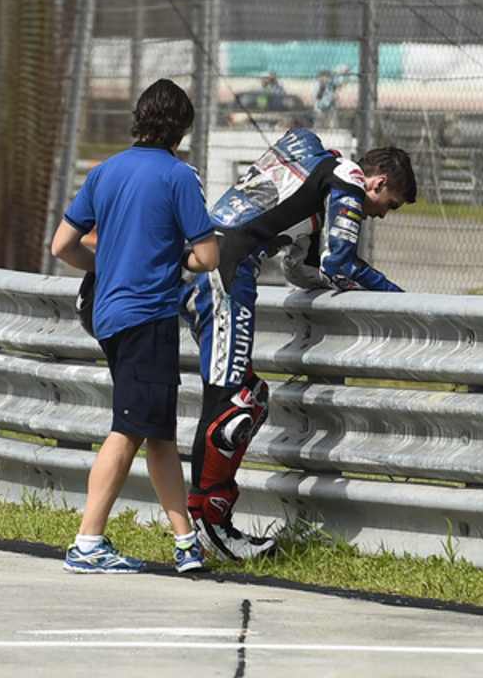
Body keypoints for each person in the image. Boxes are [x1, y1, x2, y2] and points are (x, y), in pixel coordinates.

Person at [179, 127, 417, 560]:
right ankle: (210, 527)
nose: (382, 214)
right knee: (234, 402)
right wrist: (400, 300)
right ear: (378, 182)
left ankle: (204, 524)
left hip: (209, 264)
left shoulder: (315, 166)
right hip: (228, 272)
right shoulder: (346, 177)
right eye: (390, 204)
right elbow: (338, 262)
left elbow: (301, 267)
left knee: (241, 398)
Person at [51, 78, 220, 574]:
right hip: (150, 315)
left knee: (157, 432)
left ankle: (187, 544)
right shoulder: (179, 177)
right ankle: (87, 541)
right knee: (127, 429)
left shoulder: (105, 171)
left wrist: (107, 266)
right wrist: (178, 260)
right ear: (182, 129)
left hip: (109, 314)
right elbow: (207, 255)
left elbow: (62, 245)